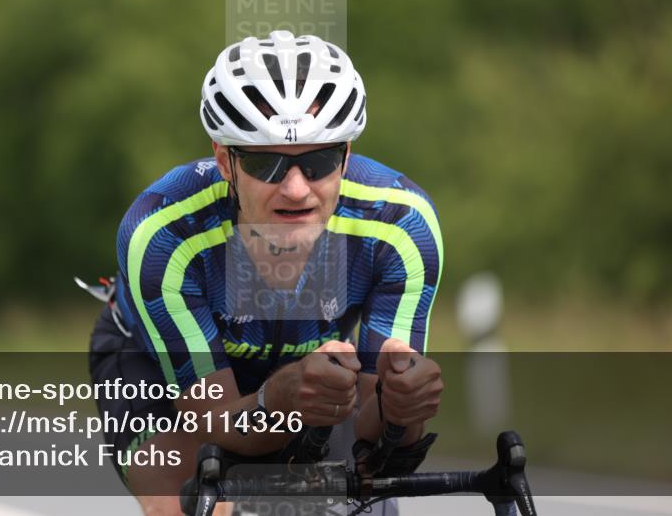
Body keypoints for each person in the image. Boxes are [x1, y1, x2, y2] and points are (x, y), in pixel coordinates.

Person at [89, 30, 444, 516]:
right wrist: (277, 398)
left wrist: (400, 410)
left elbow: (375, 441)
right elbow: (213, 425)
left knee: (360, 501)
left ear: (345, 157)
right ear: (225, 161)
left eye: (318, 162)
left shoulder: (400, 226)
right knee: (186, 504)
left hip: (309, 372)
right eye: (266, 164)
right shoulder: (163, 233)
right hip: (154, 369)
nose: (296, 189)